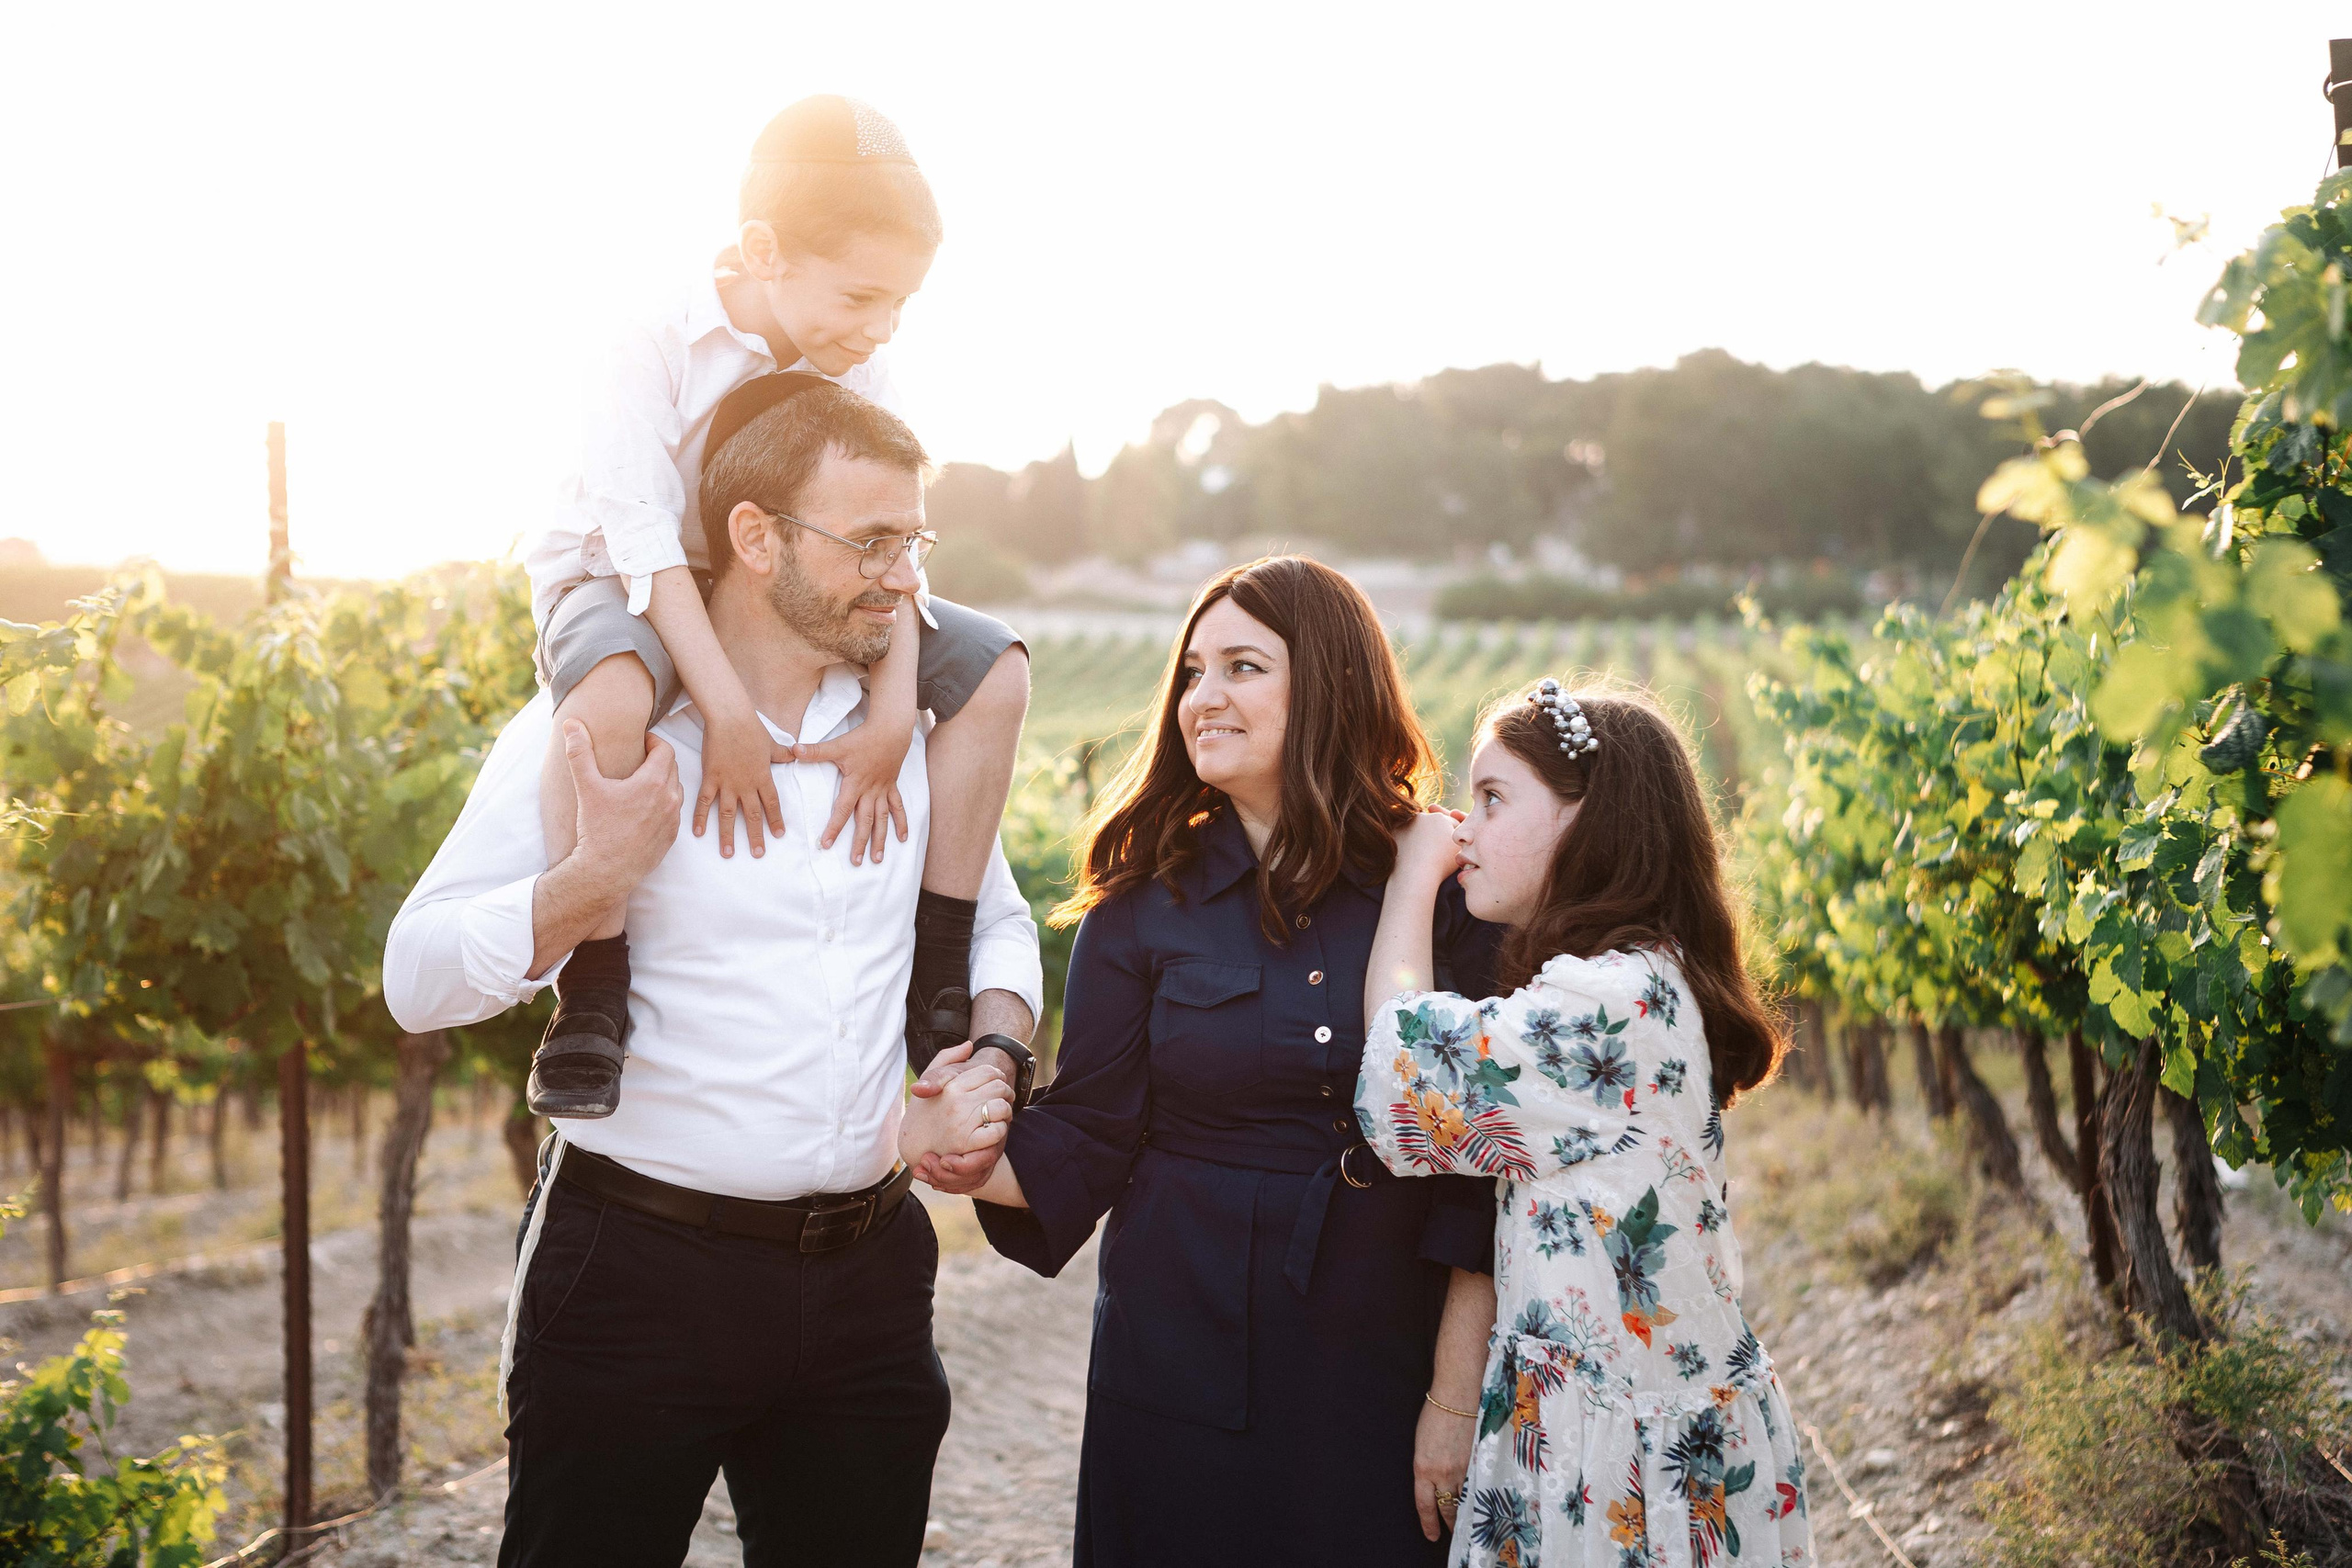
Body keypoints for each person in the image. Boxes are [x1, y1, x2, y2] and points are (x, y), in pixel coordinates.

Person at [384, 378, 1041, 1568]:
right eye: (873, 541)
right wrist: (588, 883)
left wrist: (995, 1049)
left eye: (916, 541)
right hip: (636, 1275)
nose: (906, 578)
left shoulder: (915, 743)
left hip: (870, 1280)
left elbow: (999, 920)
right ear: (755, 536)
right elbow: (414, 975)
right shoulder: (599, 732)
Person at [900, 556, 1503, 1565]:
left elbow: (1477, 1178)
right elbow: (1088, 1136)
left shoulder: (1439, 888)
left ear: (1330, 683)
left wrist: (1452, 1399)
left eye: (1241, 667)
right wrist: (947, 1149)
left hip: (1384, 1355)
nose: (1202, 698)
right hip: (1174, 1352)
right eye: (1191, 672)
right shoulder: (1137, 907)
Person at [521, 94, 1029, 1120]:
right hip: (622, 573)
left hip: (791, 577)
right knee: (614, 696)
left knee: (993, 670)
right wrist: (727, 715)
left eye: (899, 306)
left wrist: (892, 712)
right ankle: (592, 989)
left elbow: (888, 538)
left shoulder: (858, 359)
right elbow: (646, 544)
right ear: (762, 250)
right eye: (859, 297)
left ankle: (935, 962)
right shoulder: (646, 334)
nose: (878, 328)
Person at [1353, 679, 1813, 1568]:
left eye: (1492, 799)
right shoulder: (1649, 976)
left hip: (1615, 1466)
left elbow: (1399, 1071)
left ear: (1589, 821)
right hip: (1637, 1434)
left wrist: (1412, 877)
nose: (1465, 829)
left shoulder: (1601, 1007)